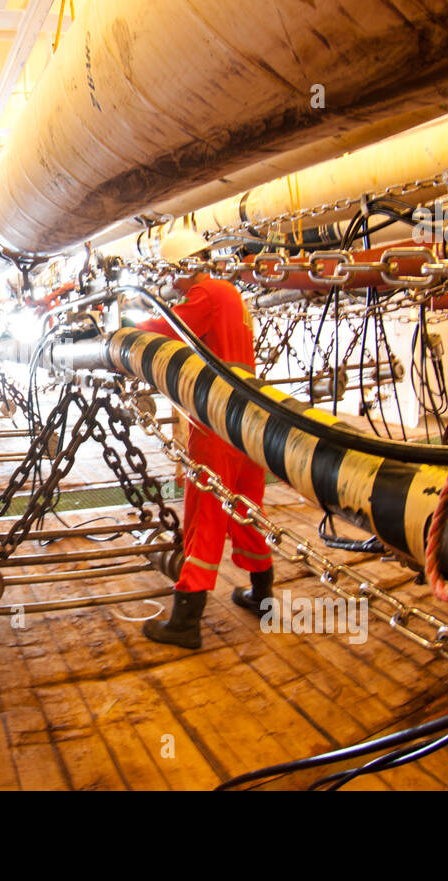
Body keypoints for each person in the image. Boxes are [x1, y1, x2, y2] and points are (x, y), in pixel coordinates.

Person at [136, 230, 273, 649]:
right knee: (245, 506)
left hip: (215, 417)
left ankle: (186, 620)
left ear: (182, 266)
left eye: (172, 275)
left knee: (206, 511)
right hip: (248, 415)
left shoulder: (206, 293)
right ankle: (262, 596)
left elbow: (166, 328)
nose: (173, 285)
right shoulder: (232, 292)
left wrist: (120, 331)